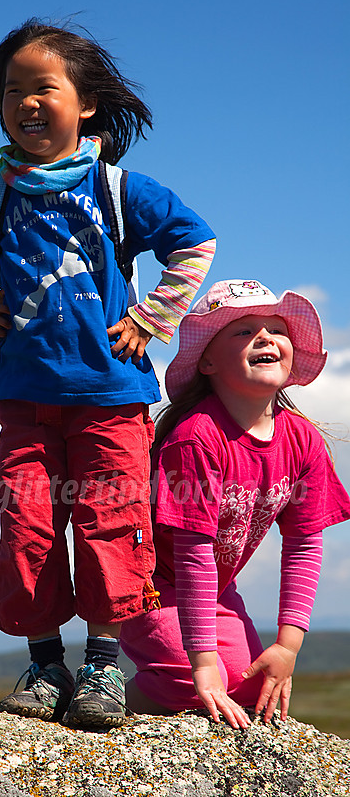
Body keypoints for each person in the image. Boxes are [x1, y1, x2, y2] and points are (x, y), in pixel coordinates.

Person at [0, 18, 216, 728]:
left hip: (111, 398)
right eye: (11, 91)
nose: (26, 102)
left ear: (84, 102)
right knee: (26, 525)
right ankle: (43, 663)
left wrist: (152, 317)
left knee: (110, 521)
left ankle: (101, 667)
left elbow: (194, 243)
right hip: (26, 401)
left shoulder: (116, 187)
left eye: (43, 88)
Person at [120, 278, 350, 729]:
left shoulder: (301, 440)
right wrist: (203, 663)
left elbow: (304, 545)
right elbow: (193, 555)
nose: (264, 337)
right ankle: (123, 703)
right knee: (198, 682)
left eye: (275, 329)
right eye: (243, 331)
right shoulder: (196, 437)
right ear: (206, 360)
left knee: (250, 686)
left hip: (214, 591)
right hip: (147, 587)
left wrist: (287, 647)